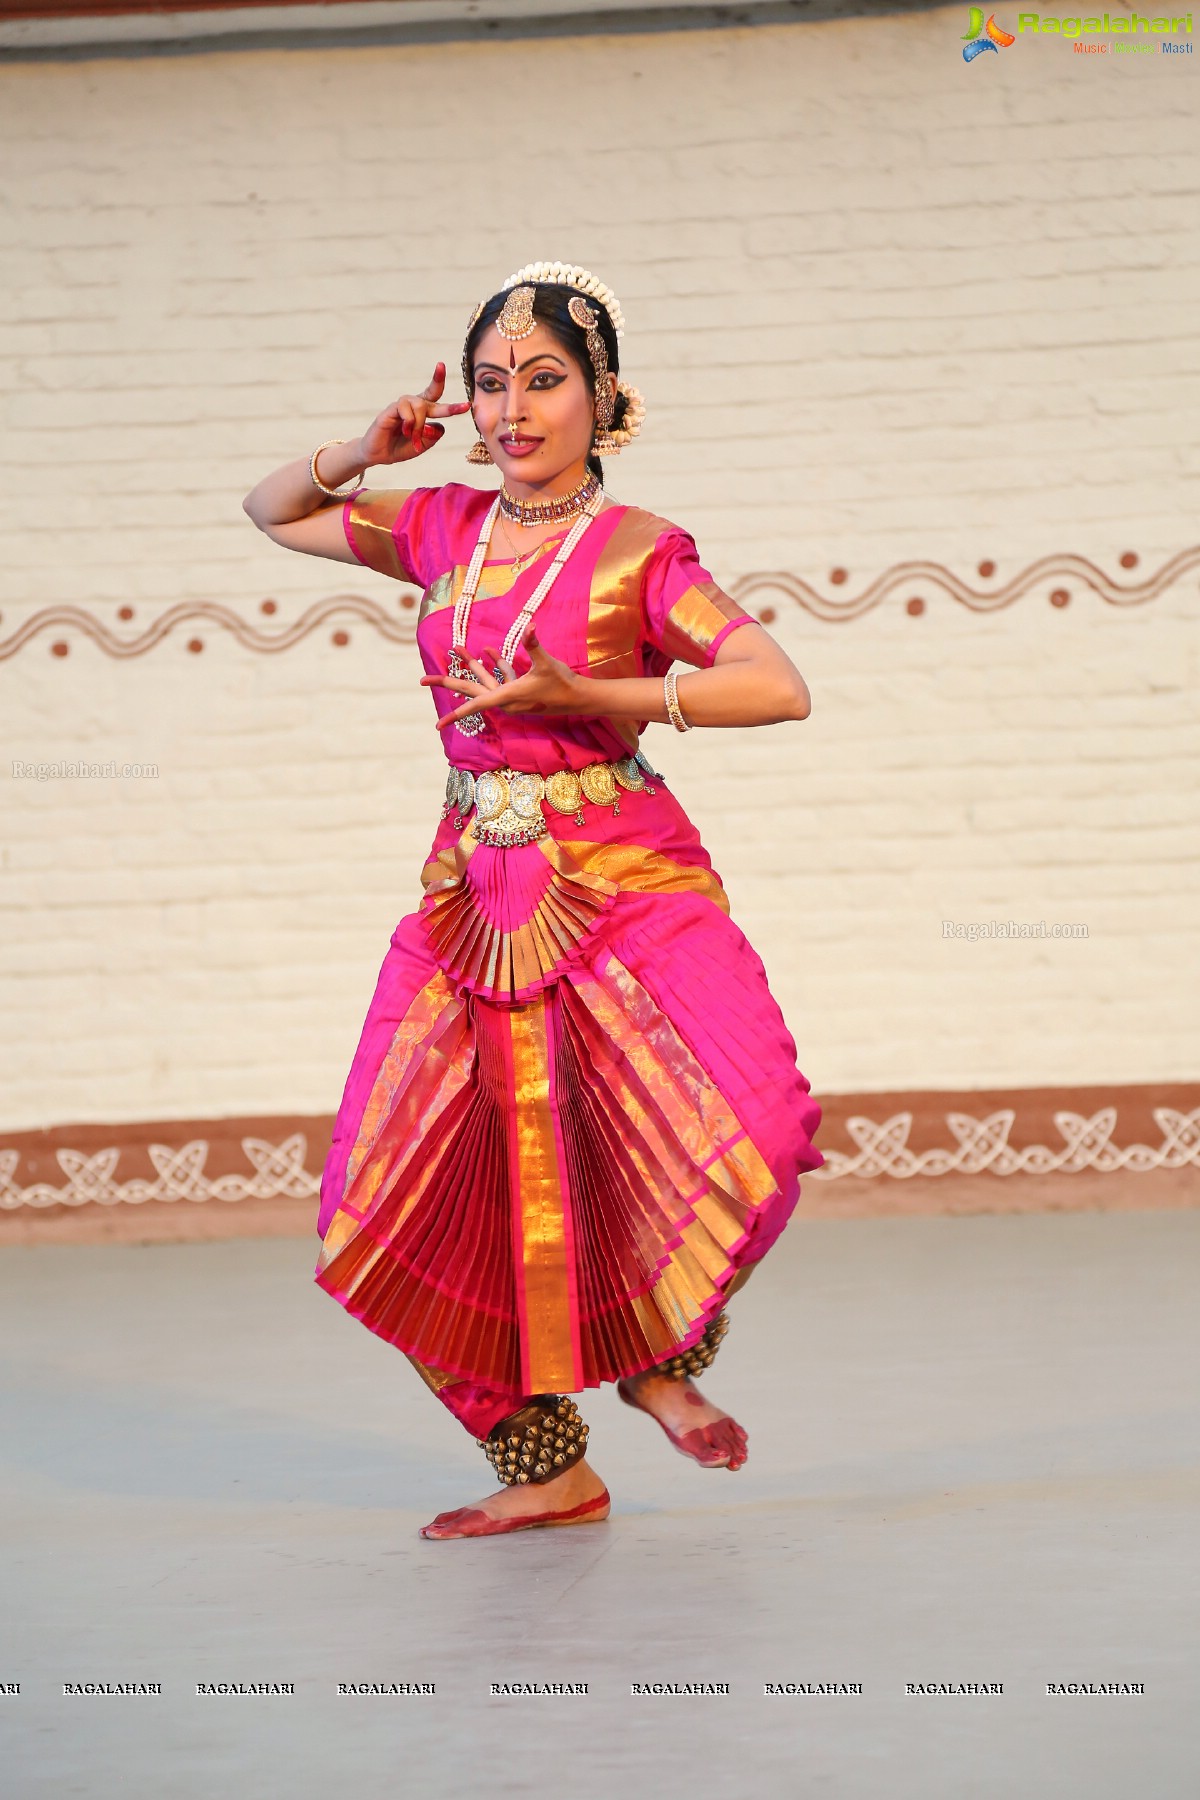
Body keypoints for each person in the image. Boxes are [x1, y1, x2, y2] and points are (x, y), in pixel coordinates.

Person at [243, 261, 823, 1541]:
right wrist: (362, 449)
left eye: (545, 381)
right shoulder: (440, 525)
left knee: (759, 1127)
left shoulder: (638, 556)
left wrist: (600, 697)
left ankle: (657, 1355)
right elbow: (272, 511)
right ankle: (543, 1463)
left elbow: (777, 685)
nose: (513, 408)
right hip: (472, 892)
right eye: (492, 384)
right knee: (390, 1182)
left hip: (622, 874)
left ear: (602, 397)